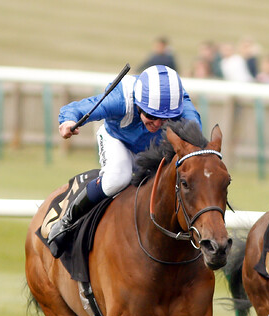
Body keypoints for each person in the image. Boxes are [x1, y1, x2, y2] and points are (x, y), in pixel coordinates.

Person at [47, 65, 201, 257]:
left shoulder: (180, 106)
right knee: (118, 178)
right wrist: (69, 120)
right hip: (118, 140)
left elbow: (196, 140)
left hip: (155, 148)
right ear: (138, 104)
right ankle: (67, 222)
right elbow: (79, 108)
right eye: (152, 116)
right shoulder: (120, 99)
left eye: (166, 119)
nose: (158, 124)